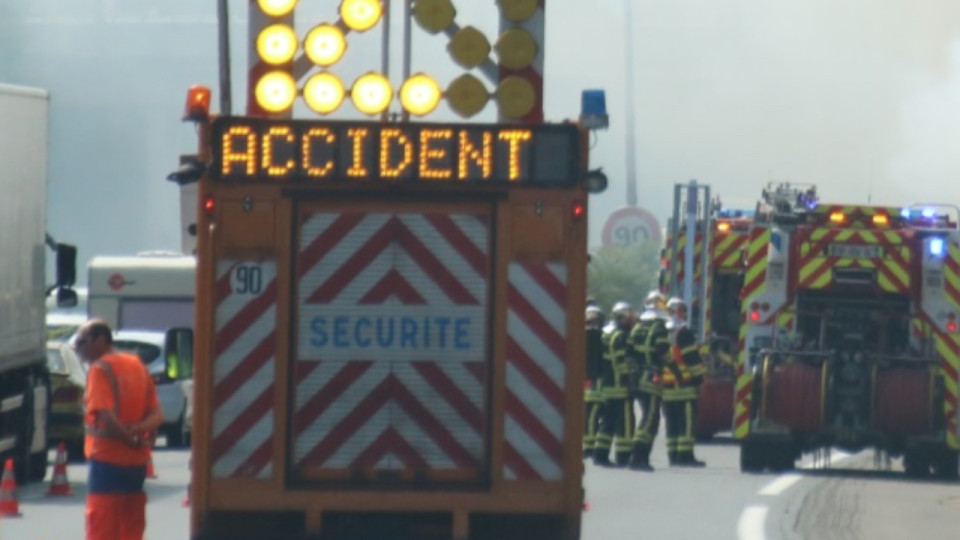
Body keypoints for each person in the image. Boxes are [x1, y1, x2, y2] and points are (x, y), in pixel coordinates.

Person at [74, 319, 164, 540]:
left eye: (82, 343)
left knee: (102, 523)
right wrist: (138, 434)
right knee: (131, 522)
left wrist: (127, 439)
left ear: (101, 340)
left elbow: (106, 415)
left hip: (107, 459)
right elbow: (157, 415)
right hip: (136, 462)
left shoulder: (100, 369)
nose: (79, 349)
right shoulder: (137, 365)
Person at [661, 298, 707, 467]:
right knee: (686, 423)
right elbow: (691, 359)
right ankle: (685, 457)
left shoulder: (661, 331)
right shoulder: (683, 332)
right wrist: (699, 381)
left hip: (666, 387)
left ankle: (673, 455)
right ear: (681, 311)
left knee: (671, 424)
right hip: (685, 386)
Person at [627, 291, 670, 471]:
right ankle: (639, 457)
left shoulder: (637, 327)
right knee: (651, 419)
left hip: (636, 379)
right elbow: (663, 353)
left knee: (646, 416)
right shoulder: (659, 328)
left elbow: (629, 354)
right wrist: (676, 369)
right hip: (651, 380)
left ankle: (639, 457)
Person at [593, 301, 636, 467]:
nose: (631, 320)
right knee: (625, 423)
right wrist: (629, 377)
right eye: (629, 317)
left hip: (608, 386)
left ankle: (600, 455)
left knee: (607, 422)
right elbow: (620, 360)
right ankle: (623, 456)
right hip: (620, 387)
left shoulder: (606, 333)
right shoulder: (620, 336)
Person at [583, 306, 606, 458]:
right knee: (592, 414)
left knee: (589, 413)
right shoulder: (602, 336)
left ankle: (589, 445)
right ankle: (590, 446)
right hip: (597, 378)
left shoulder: (581, 335)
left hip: (586, 378)